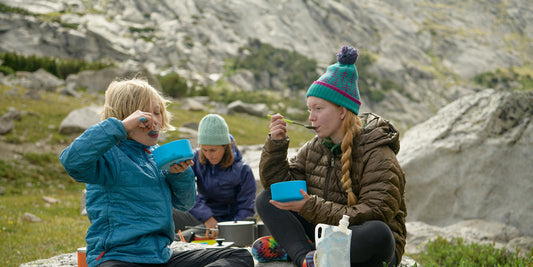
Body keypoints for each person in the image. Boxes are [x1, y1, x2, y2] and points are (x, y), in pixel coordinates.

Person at [59, 79, 253, 267]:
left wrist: (179, 174)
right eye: (144, 116)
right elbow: (71, 161)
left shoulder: (157, 155)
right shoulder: (107, 155)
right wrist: (120, 127)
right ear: (125, 118)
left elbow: (185, 203)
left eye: (158, 113)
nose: (154, 121)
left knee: (239, 256)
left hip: (160, 257)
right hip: (117, 257)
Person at [251, 46, 407, 267]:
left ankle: (298, 249)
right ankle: (308, 258)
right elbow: (281, 188)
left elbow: (376, 213)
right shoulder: (314, 148)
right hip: (324, 234)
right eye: (309, 110)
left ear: (342, 111)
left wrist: (310, 207)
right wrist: (276, 146)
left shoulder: (378, 152)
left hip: (365, 246)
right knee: (266, 198)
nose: (311, 117)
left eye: (318, 108)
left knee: (378, 232)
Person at [173, 114, 256, 239]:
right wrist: (207, 217)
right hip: (201, 216)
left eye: (213, 150)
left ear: (225, 146)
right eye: (204, 150)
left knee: (179, 238)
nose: (208, 155)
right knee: (167, 209)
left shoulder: (243, 169)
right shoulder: (195, 158)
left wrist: (228, 230)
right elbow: (183, 190)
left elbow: (246, 208)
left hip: (227, 223)